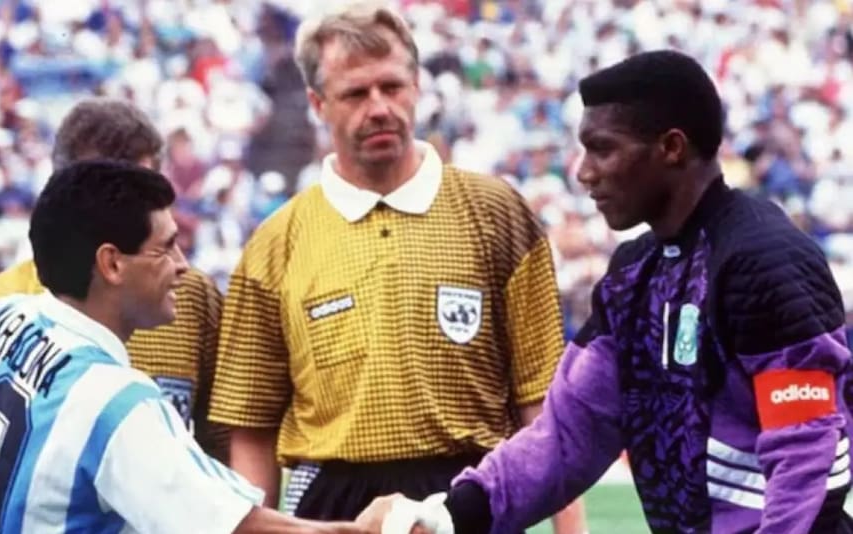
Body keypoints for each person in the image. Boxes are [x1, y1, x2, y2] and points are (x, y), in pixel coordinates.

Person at [361, 50, 853, 534]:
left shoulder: (765, 262)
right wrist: (450, 513)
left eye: (603, 148)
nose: (583, 172)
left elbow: (808, 455)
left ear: (672, 147)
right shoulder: (631, 274)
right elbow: (567, 436)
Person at [207, 3, 585, 533]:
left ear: (418, 86)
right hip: (329, 502)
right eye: (356, 93)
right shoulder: (275, 244)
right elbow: (253, 426)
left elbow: (542, 402)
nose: (379, 107)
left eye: (392, 86)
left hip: (472, 492)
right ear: (318, 103)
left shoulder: (496, 213)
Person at [0, 161, 368, 533]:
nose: (183, 266)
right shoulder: (117, 402)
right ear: (111, 264)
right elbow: (239, 528)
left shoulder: (0, 317)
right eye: (165, 248)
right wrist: (369, 529)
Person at [0, 98, 228, 463]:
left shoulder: (189, 294)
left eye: (139, 191)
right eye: (106, 191)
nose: (125, 209)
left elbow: (225, 436)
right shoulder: (3, 304)